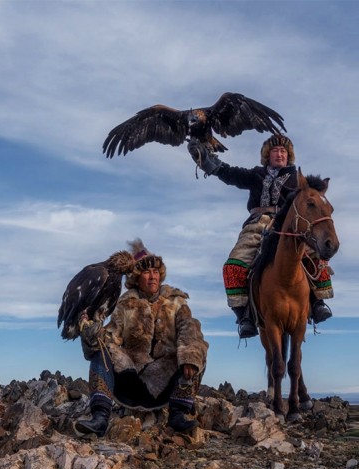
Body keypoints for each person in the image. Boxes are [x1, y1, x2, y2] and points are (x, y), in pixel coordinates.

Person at [187, 134, 334, 339]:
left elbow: (314, 196)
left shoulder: (297, 178)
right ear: (267, 155)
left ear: (289, 155)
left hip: (287, 226)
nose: (280, 154)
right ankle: (245, 316)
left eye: (284, 151)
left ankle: (318, 303)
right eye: (275, 151)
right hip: (257, 224)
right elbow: (230, 174)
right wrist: (207, 161)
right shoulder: (256, 174)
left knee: (315, 257)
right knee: (233, 265)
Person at [75, 239, 209, 437]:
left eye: (155, 271)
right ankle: (100, 417)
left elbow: (189, 328)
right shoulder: (125, 303)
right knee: (102, 347)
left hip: (166, 383)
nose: (152, 276)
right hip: (131, 382)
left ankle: (178, 415)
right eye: (146, 272)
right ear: (137, 277)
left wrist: (189, 356)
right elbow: (112, 335)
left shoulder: (177, 302)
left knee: (194, 349)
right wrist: (92, 334)